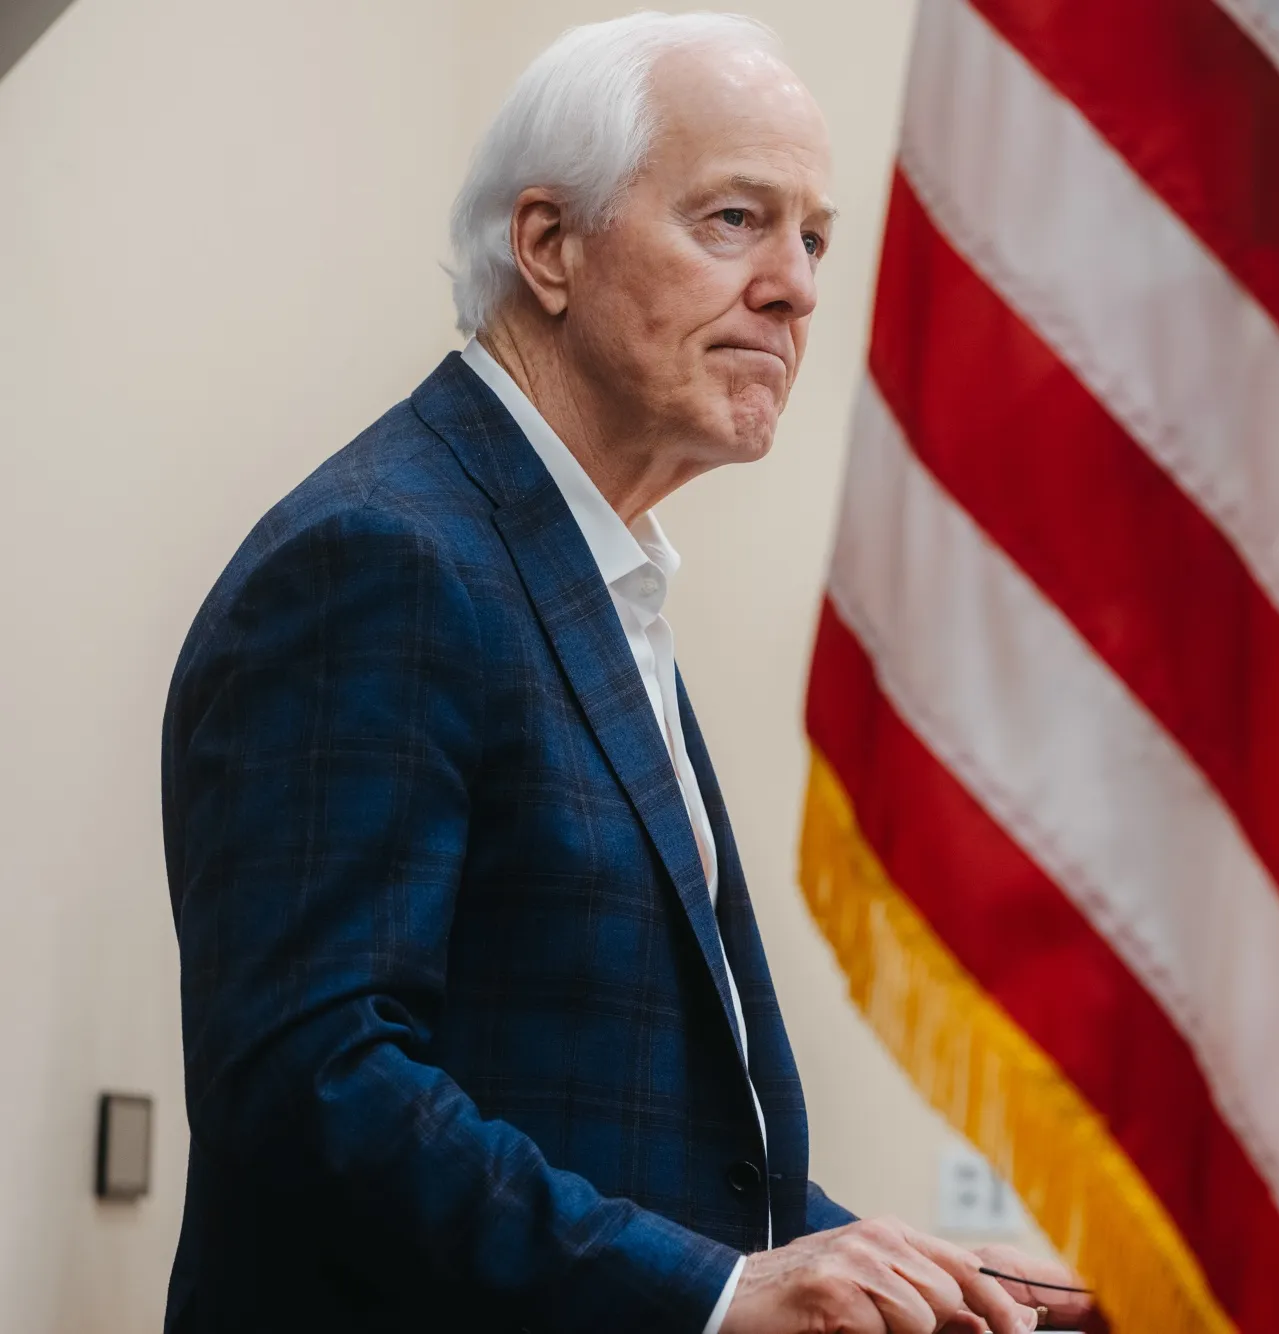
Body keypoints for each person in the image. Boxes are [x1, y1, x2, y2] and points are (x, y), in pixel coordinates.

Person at [160, 13, 1096, 1333]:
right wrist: (721, 1292)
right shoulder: (385, 559)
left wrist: (945, 1291)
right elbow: (319, 1089)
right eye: (735, 220)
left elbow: (646, 1144)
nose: (797, 286)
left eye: (814, 237)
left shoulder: (596, 578)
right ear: (548, 245)